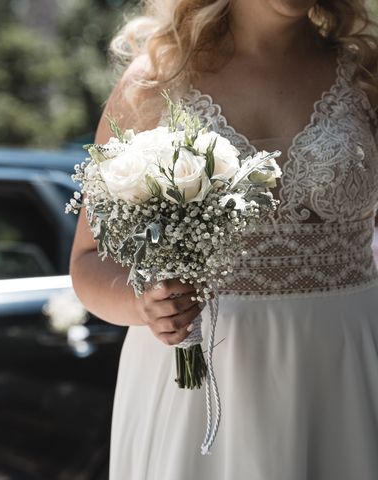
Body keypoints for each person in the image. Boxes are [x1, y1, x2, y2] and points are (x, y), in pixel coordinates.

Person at [69, 0, 378, 478]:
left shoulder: (367, 75)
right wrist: (145, 304)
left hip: (343, 370)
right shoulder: (156, 79)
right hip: (196, 389)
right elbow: (88, 260)